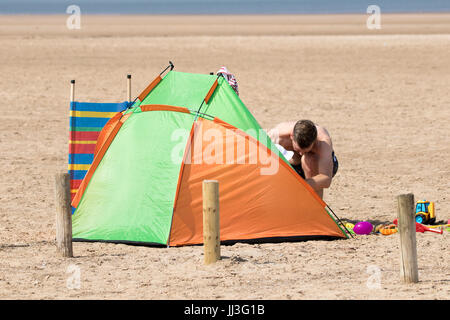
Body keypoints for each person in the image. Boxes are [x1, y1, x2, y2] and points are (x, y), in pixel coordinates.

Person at [268, 120, 338, 199]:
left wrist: (299, 185)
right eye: (298, 150)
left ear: (314, 141)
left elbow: (326, 179)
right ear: (292, 137)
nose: (301, 153)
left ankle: (314, 207)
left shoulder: (323, 143)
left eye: (306, 150)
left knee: (309, 159)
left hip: (320, 167)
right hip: (294, 163)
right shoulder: (279, 134)